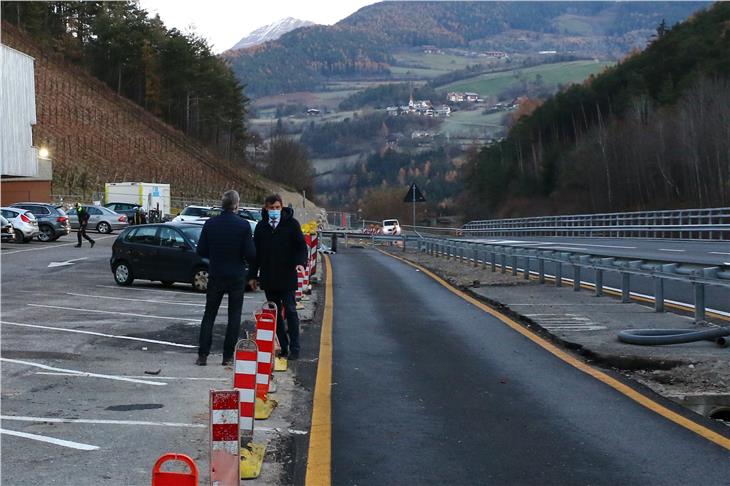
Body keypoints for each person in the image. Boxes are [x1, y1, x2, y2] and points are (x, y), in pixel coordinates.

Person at [196, 190, 256, 366]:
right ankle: (227, 356)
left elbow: (201, 250)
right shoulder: (243, 225)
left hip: (216, 273)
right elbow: (250, 253)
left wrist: (215, 254)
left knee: (209, 315)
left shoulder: (210, 224)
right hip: (236, 275)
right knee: (234, 316)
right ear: (236, 204)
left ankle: (203, 355)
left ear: (222, 204)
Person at [249, 194, 308, 360]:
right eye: (271, 208)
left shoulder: (291, 224)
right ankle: (283, 346)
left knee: (290, 309)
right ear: (266, 209)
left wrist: (300, 263)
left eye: (277, 208)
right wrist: (252, 276)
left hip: (287, 275)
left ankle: (295, 347)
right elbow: (256, 255)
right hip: (269, 277)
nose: (274, 211)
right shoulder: (261, 227)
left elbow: (301, 247)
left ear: (281, 208)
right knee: (274, 313)